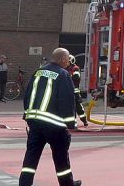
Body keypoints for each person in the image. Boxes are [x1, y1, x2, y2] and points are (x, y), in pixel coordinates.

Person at [18, 47, 82, 186]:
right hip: (54, 126)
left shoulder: (38, 72)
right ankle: (67, 184)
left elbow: (28, 94)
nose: (68, 63)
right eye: (67, 59)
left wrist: (28, 116)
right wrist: (71, 123)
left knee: (31, 158)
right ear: (63, 59)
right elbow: (66, 99)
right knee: (61, 159)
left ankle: (24, 183)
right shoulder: (63, 74)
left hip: (35, 123)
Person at [66, 56, 87, 127]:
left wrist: (67, 77)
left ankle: (84, 120)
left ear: (71, 61)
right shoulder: (64, 69)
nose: (66, 63)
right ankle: (73, 123)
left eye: (68, 61)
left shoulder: (75, 68)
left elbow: (76, 77)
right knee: (70, 108)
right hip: (67, 92)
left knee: (79, 108)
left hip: (75, 92)